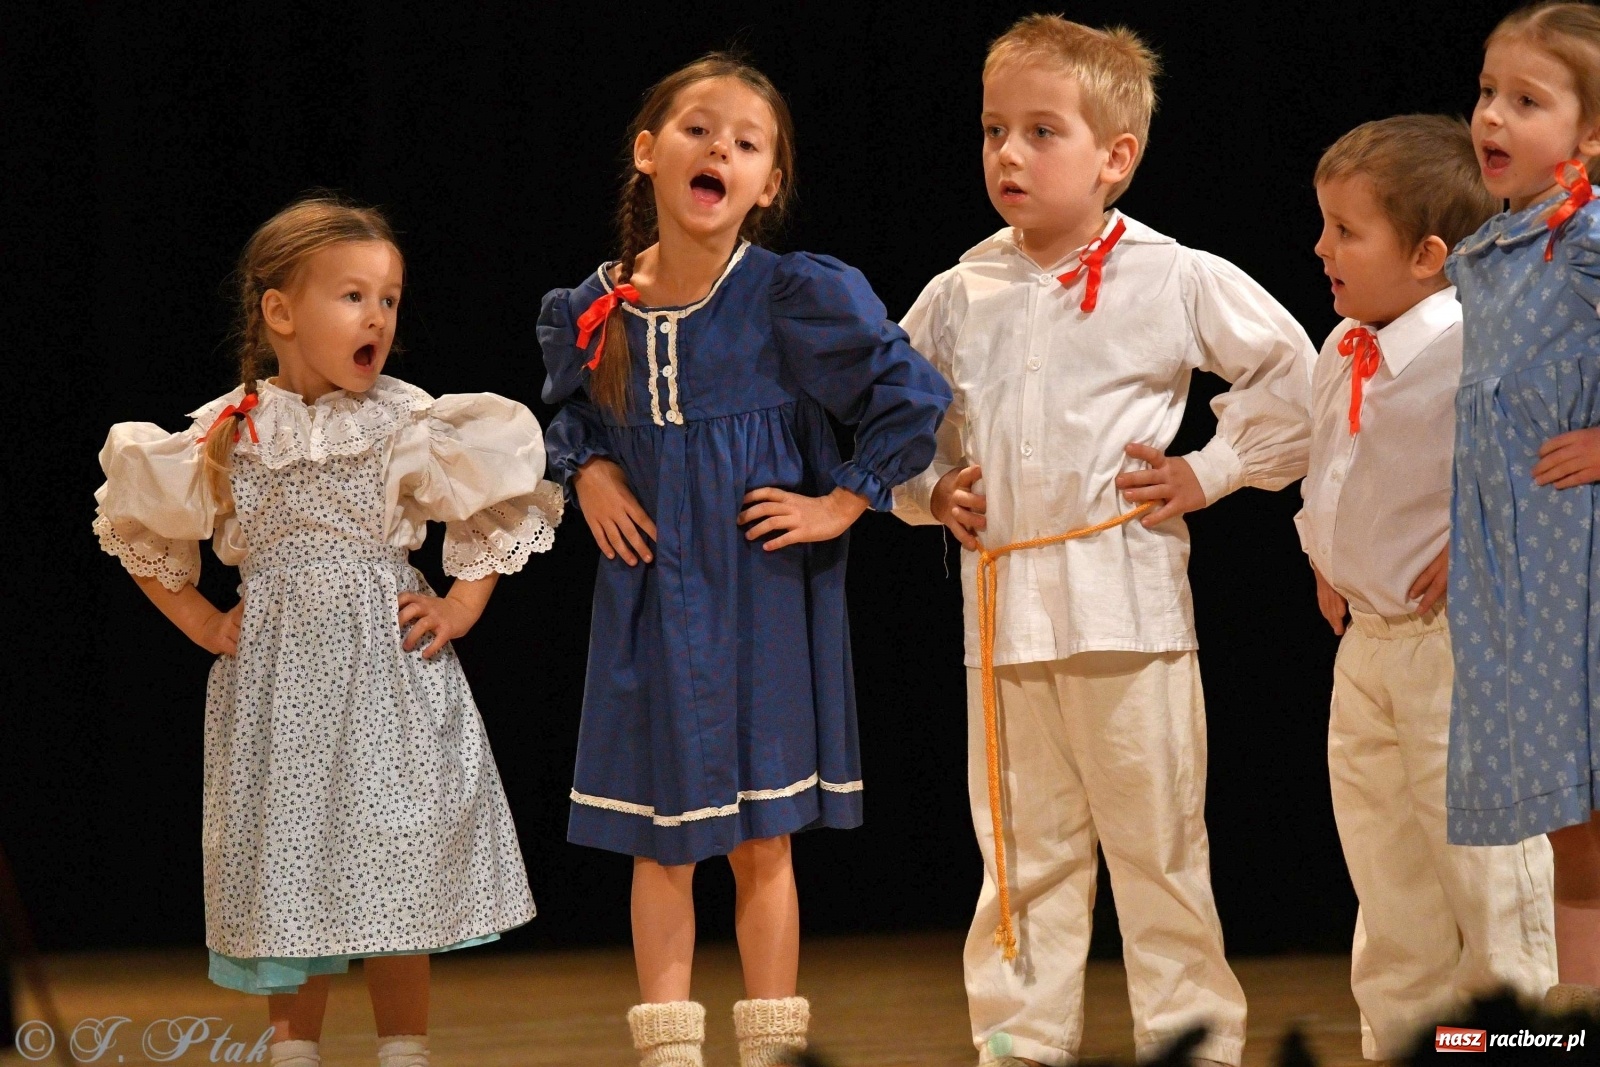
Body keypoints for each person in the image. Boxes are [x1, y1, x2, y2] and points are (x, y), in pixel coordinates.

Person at [893, 15, 1316, 1066]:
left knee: (1158, 847)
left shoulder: (1171, 276)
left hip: (1127, 610)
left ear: (1114, 157)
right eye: (995, 129)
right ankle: (1020, 1041)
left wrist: (1207, 472)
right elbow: (885, 422)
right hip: (1000, 620)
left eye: (1042, 131)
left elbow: (1298, 382)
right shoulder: (959, 291)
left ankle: (1193, 1040)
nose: (1008, 154)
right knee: (1021, 857)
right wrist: (928, 489)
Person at [537, 54, 950, 1067]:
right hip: (646, 589)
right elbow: (564, 414)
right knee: (658, 832)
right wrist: (586, 470)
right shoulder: (589, 308)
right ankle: (668, 1047)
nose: (718, 146)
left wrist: (842, 500)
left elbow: (911, 393)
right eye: (696, 128)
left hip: (760, 589)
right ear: (647, 154)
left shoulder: (791, 295)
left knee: (763, 835)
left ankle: (770, 1041)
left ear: (766, 184)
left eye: (747, 141)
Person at [92, 196, 555, 1067]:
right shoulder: (232, 429)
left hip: (387, 678)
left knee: (394, 855)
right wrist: (201, 618)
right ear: (280, 311)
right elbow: (139, 520)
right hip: (280, 695)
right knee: (291, 863)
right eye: (352, 296)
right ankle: (293, 1047)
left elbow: (499, 498)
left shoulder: (403, 419)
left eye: (388, 299)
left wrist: (459, 605)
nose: (376, 315)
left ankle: (403, 1048)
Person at [1303, 114, 1556, 1058]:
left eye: (1344, 230)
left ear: (1428, 256)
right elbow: (1330, 465)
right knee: (1389, 875)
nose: (1321, 246)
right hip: (1368, 651)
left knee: (1489, 880)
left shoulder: (1484, 350)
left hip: (1463, 650)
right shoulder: (1344, 350)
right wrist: (1319, 549)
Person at [1445, 0, 1600, 1014]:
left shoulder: (1585, 236)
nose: (1491, 118)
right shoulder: (1497, 255)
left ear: (1588, 137)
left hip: (1581, 563)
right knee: (1568, 820)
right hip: (1521, 578)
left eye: (1526, 101)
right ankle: (1576, 1014)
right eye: (1487, 93)